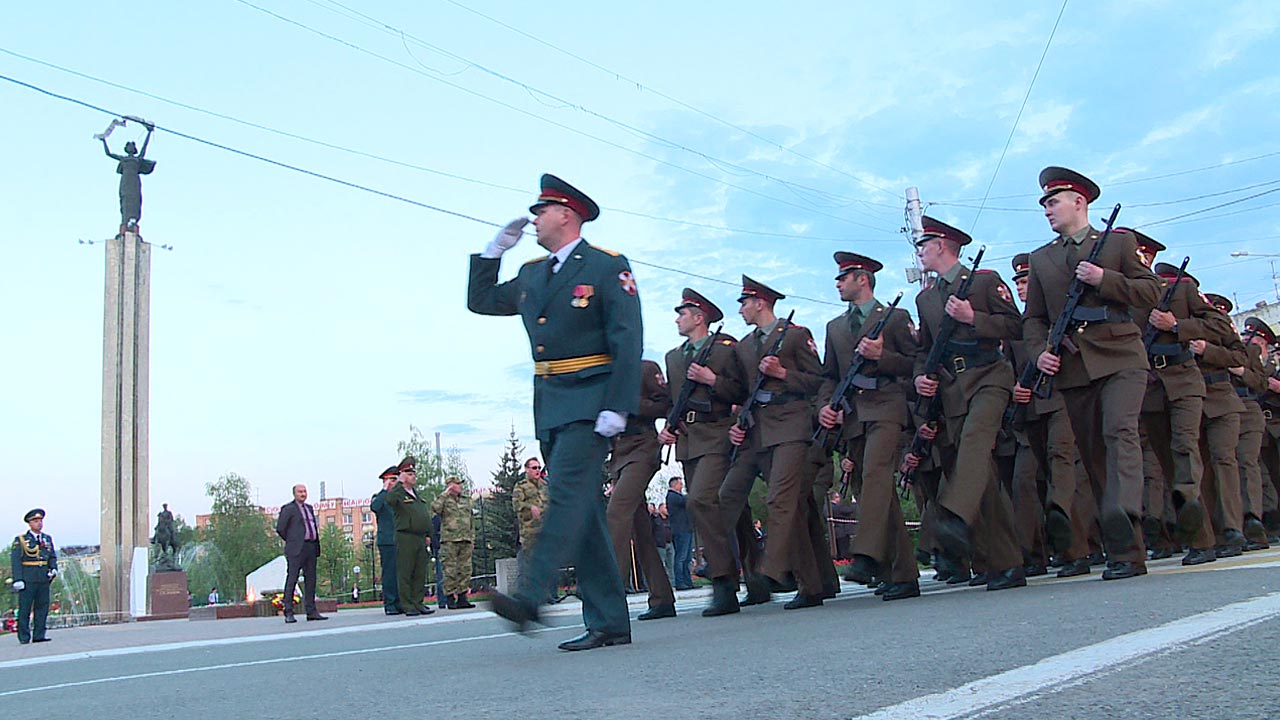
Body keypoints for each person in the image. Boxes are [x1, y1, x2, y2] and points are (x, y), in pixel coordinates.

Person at [469, 174, 640, 651]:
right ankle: (610, 622)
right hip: (550, 404)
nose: (534, 219)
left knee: (564, 498)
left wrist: (618, 406)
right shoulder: (532, 274)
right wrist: (492, 253)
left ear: (567, 214)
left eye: (542, 210)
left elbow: (628, 338)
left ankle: (529, 598)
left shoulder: (606, 266)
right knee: (583, 515)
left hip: (591, 403)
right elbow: (480, 302)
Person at [1023, 167, 1162, 580]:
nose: (1047, 210)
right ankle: (1124, 550)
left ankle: (1123, 520)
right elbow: (1033, 319)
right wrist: (1039, 353)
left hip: (1120, 354)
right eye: (1046, 204)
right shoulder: (1041, 258)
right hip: (1074, 366)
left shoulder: (1117, 243)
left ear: (1079, 202)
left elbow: (1150, 292)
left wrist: (1105, 279)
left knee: (1120, 433)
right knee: (1095, 454)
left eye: (1053, 202)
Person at [903, 217, 1025, 591]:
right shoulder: (925, 298)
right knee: (981, 474)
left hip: (989, 376)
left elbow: (1016, 325)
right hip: (953, 389)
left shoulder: (983, 282)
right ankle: (1000, 561)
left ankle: (954, 516)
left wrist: (974, 317)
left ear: (942, 245)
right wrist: (920, 377)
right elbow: (924, 349)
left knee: (974, 444)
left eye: (924, 245)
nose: (920, 252)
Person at [816, 251, 922, 601]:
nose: (838, 284)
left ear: (862, 279)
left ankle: (864, 555)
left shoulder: (894, 318)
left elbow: (915, 364)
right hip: (854, 416)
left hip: (887, 406)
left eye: (843, 278)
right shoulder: (835, 327)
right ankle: (901, 574)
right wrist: (825, 406)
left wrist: (882, 357)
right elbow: (829, 375)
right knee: (876, 491)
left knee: (877, 473)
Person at [720, 275, 827, 609]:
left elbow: (818, 380)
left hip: (792, 426)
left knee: (780, 499)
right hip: (760, 432)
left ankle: (772, 569)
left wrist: (783, 374)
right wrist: (738, 423)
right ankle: (811, 585)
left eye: (744, 303)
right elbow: (742, 393)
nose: (741, 309)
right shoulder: (743, 346)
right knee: (791, 506)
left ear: (760, 303)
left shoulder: (795, 335)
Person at [658, 288, 745, 616]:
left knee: (700, 501)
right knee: (723, 510)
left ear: (699, 318)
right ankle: (755, 578)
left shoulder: (724, 349)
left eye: (682, 314)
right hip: (688, 440)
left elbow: (741, 390)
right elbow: (673, 399)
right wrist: (669, 425)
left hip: (717, 433)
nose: (677, 320)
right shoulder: (673, 357)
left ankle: (723, 581)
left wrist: (712, 380)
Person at [607, 359, 677, 620]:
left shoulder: (644, 368)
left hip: (642, 447)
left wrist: (633, 405)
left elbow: (666, 403)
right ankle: (662, 598)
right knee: (640, 528)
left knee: (617, 512)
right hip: (618, 453)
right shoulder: (602, 373)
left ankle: (610, 591)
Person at [386, 457, 434, 616]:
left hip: (420, 537)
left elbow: (423, 515)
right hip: (406, 536)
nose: (413, 476)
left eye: (413, 473)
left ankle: (418, 603)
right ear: (402, 475)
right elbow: (390, 500)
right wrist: (398, 484)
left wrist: (428, 534)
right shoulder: (398, 494)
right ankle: (408, 605)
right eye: (409, 474)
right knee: (406, 572)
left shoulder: (415, 494)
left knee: (420, 572)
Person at [275, 485, 326, 623]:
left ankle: (311, 611)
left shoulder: (309, 508)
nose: (303, 494)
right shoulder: (288, 509)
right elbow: (280, 528)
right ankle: (288, 612)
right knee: (292, 579)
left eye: (304, 491)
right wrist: (293, 540)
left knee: (311, 580)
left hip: (311, 547)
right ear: (294, 494)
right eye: (300, 492)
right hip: (296, 549)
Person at [10, 509, 57, 644]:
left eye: (40, 520)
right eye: (35, 521)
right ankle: (24, 636)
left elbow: (52, 556)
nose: (39, 523)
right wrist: (18, 579)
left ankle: (39, 635)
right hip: (28, 579)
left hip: (43, 578)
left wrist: (53, 568)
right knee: (25, 608)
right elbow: (16, 561)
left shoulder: (47, 539)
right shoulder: (21, 540)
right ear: (29, 523)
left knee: (42, 607)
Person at [431, 476, 476, 609]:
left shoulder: (466, 500)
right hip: (449, 540)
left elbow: (471, 520)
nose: (460, 486)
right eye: (457, 484)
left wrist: (472, 539)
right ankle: (450, 598)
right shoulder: (444, 499)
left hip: (465, 539)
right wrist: (445, 493)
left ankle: (462, 598)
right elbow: (435, 508)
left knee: (465, 569)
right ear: (450, 485)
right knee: (449, 570)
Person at [370, 465, 403, 614]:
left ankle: (401, 602)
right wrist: (385, 490)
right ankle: (390, 604)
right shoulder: (379, 497)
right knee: (390, 573)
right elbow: (375, 507)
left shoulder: (399, 497)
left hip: (402, 539)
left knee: (402, 573)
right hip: (388, 541)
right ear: (386, 480)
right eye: (392, 480)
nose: (395, 483)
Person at [512, 457, 548, 576]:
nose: (537, 470)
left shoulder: (545, 486)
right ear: (527, 469)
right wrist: (530, 507)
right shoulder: (521, 486)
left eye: (539, 467)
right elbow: (516, 504)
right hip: (529, 533)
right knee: (527, 569)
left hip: (545, 532)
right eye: (534, 468)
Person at [666, 478, 695, 590]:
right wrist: (692, 492)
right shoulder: (672, 496)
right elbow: (685, 500)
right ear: (674, 485)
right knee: (681, 557)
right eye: (680, 483)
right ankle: (679, 582)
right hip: (680, 529)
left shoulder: (679, 496)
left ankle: (688, 581)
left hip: (687, 529)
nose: (682, 486)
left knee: (687, 558)